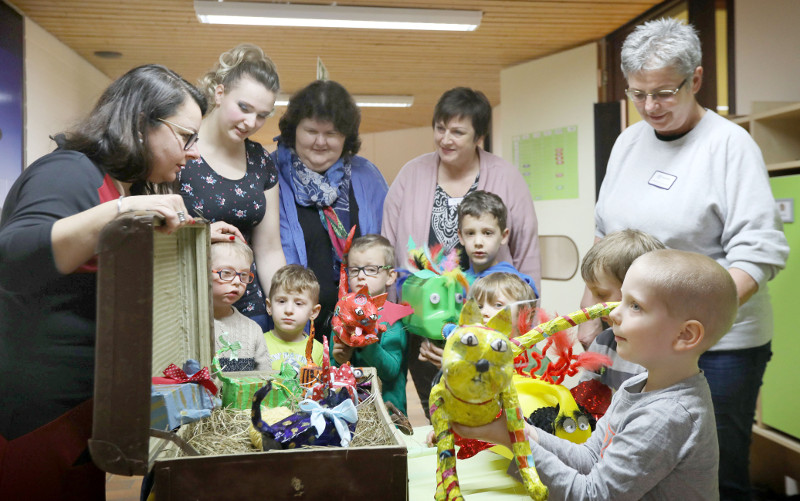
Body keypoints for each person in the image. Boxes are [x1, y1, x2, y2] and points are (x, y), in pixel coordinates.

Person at [0, 64, 243, 499]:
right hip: (34, 417)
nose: (192, 154)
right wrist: (120, 213)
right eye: (186, 137)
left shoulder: (119, 186)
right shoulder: (69, 172)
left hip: (81, 410)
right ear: (140, 124)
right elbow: (14, 258)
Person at [585, 18, 789, 499]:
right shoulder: (627, 143)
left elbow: (759, 252)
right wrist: (593, 315)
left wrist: (687, 322)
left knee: (712, 473)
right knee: (633, 462)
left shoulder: (729, 145)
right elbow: (604, 237)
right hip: (639, 335)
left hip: (718, 349)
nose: (650, 107)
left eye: (664, 92)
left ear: (695, 79)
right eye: (638, 94)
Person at [457, 249, 739, 500]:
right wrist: (520, 430)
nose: (614, 312)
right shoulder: (637, 385)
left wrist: (513, 441)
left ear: (684, 335)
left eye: (635, 306)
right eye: (622, 300)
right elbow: (590, 457)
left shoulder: (668, 415)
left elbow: (593, 495)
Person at [383, 87, 541, 418]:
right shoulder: (412, 174)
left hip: (489, 327)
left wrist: (527, 323)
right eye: (440, 128)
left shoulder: (507, 177)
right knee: (437, 410)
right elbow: (390, 240)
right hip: (425, 327)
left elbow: (526, 252)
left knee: (485, 410)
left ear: (478, 135)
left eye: (458, 131)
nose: (446, 139)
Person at [272, 80, 388, 342]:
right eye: (311, 130)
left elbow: (388, 245)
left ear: (346, 137)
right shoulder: (271, 174)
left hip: (361, 328)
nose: (320, 142)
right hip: (291, 329)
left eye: (332, 133)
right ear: (294, 131)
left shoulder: (367, 176)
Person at [180, 43, 285, 331]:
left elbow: (269, 249)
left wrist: (284, 304)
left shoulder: (261, 160)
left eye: (262, 115)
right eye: (244, 108)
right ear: (219, 92)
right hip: (188, 306)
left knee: (250, 377)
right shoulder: (181, 147)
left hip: (248, 312)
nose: (251, 122)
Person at [579, 229, 665, 391]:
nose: (593, 306)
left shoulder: (662, 354)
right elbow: (585, 397)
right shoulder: (602, 343)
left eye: (601, 294)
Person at [331, 234, 407, 414]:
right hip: (349, 412)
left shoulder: (392, 317)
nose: (361, 276)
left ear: (390, 276)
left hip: (388, 414)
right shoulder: (341, 313)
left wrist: (365, 344)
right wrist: (340, 360)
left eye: (371, 269)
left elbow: (391, 371)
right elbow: (334, 366)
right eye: (355, 270)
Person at [419, 272, 538, 370]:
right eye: (479, 306)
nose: (484, 312)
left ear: (526, 314)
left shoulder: (532, 361)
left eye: (498, 305)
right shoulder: (471, 347)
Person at [210, 240, 272, 372]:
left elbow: (264, 378)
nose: (238, 281)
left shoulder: (253, 329)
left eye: (243, 275)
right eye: (226, 273)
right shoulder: (191, 327)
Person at [458, 190, 537, 293]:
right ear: (461, 237)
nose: (478, 242)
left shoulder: (515, 283)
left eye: (487, 233)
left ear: (504, 236)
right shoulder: (459, 283)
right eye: (470, 233)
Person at [264, 264, 324, 374]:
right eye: (282, 301)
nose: (289, 310)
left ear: (314, 312)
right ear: (269, 306)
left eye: (298, 303)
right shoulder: (259, 343)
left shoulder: (319, 350)